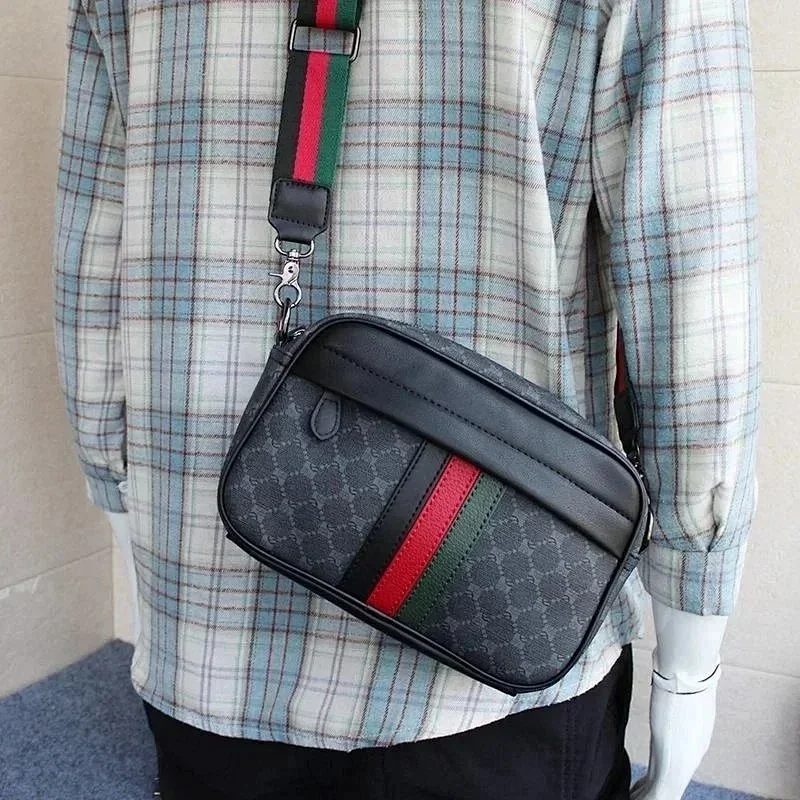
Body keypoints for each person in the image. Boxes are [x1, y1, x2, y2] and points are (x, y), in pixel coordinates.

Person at [53, 1, 760, 798]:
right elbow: (695, 288)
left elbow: (91, 264)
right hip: (494, 646)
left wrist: (131, 516)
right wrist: (690, 662)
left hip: (206, 627)